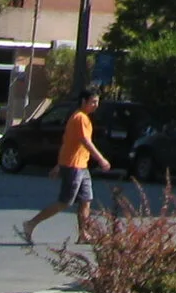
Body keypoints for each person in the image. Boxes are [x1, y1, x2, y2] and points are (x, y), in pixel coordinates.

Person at [17, 89, 109, 246]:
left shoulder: (82, 118)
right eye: (93, 102)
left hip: (81, 165)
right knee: (65, 202)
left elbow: (68, 144)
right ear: (83, 102)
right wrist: (101, 159)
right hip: (74, 166)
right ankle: (30, 224)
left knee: (86, 200)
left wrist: (57, 166)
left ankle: (83, 234)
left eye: (97, 102)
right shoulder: (79, 118)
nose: (95, 105)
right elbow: (85, 141)